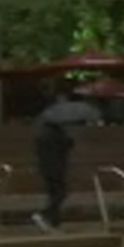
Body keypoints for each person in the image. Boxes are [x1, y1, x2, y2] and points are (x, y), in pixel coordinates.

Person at [31, 99, 76, 232]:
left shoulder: (43, 134)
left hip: (46, 168)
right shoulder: (56, 134)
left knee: (54, 193)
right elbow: (62, 149)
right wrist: (68, 142)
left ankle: (54, 220)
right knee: (60, 194)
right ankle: (44, 214)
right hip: (56, 167)